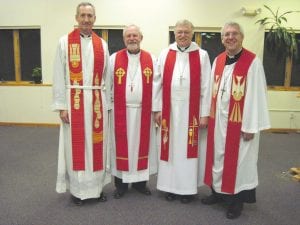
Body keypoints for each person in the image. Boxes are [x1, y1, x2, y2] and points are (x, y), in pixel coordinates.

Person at [201, 22, 270, 219]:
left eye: (234, 34)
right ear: (222, 39)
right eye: (226, 35)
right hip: (218, 122)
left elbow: (257, 96)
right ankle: (217, 193)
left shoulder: (252, 62)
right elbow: (210, 93)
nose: (230, 38)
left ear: (242, 37)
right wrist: (207, 114)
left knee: (238, 164)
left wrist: (251, 126)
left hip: (240, 124)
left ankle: (235, 203)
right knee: (216, 158)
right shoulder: (219, 60)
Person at [52, 2, 111, 206]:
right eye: (83, 15)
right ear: (76, 18)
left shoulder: (102, 44)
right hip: (74, 99)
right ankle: (78, 191)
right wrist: (62, 105)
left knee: (97, 145)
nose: (86, 19)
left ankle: (96, 189)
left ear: (95, 19)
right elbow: (59, 75)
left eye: (90, 16)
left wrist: (108, 105)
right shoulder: (63, 42)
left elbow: (108, 77)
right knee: (75, 146)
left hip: (96, 101)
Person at [153, 19, 212, 204]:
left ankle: (187, 190)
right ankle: (169, 187)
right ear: (174, 33)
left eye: (186, 32)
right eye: (179, 32)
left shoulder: (202, 55)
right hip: (169, 111)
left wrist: (204, 113)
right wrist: (157, 109)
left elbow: (207, 86)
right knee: (169, 148)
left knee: (188, 150)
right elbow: (157, 83)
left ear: (192, 33)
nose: (183, 35)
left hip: (191, 112)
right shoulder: (165, 54)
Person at [109, 24, 158, 199]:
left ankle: (139, 183)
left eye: (135, 35)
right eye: (128, 36)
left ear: (141, 38)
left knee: (141, 147)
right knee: (120, 148)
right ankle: (121, 185)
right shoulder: (114, 59)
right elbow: (108, 86)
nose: (132, 38)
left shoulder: (152, 59)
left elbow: (157, 87)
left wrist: (156, 110)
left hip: (143, 113)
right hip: (120, 113)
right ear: (124, 39)